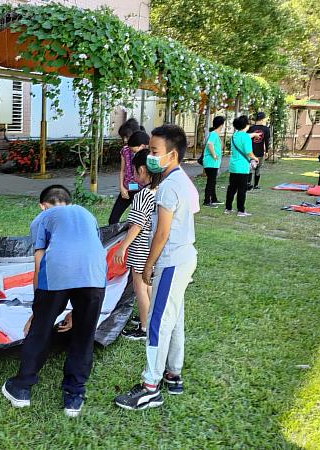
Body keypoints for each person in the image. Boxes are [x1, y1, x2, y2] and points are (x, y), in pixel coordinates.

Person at [1, 185, 107, 418]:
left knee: (39, 330)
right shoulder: (87, 215)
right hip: (95, 274)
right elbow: (88, 252)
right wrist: (75, 312)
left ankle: (21, 388)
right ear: (69, 203)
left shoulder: (43, 217)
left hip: (58, 272)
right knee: (84, 333)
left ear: (43, 205)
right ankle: (74, 396)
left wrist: (38, 311)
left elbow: (40, 260)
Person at [114, 124, 199, 410]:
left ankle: (150, 386)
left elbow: (161, 233)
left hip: (171, 261)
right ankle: (172, 374)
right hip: (184, 257)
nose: (149, 156)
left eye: (153, 151)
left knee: (158, 322)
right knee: (174, 320)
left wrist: (149, 265)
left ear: (172, 155)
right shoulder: (184, 181)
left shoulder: (168, 187)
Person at [113, 149, 162, 340]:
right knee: (147, 284)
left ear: (142, 170)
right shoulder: (160, 191)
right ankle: (148, 318)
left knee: (139, 287)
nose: (133, 174)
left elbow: (137, 225)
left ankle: (144, 328)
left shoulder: (142, 195)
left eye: (133, 170)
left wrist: (122, 246)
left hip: (140, 247)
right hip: (153, 247)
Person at [109, 130, 150, 224]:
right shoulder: (125, 151)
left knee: (137, 221)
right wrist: (122, 187)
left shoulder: (148, 155)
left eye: (133, 150)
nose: (132, 152)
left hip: (141, 189)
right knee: (113, 219)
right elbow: (122, 171)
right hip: (127, 189)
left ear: (143, 146)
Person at [225, 115, 260, 217]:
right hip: (242, 167)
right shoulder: (245, 137)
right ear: (246, 125)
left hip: (233, 166)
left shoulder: (234, 135)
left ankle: (228, 208)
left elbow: (245, 136)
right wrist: (256, 158)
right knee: (242, 189)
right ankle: (241, 210)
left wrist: (253, 134)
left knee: (232, 188)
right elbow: (249, 153)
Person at [202, 116, 226, 207]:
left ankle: (214, 199)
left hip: (213, 163)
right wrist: (214, 155)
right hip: (210, 162)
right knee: (211, 181)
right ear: (221, 125)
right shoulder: (213, 134)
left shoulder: (215, 134)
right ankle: (207, 201)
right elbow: (209, 144)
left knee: (213, 181)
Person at [247, 112, 271, 189]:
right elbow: (267, 141)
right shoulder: (266, 129)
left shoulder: (251, 128)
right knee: (258, 168)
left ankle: (248, 183)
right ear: (263, 119)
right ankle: (256, 185)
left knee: (250, 168)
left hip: (251, 151)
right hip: (260, 152)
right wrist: (267, 151)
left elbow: (247, 139)